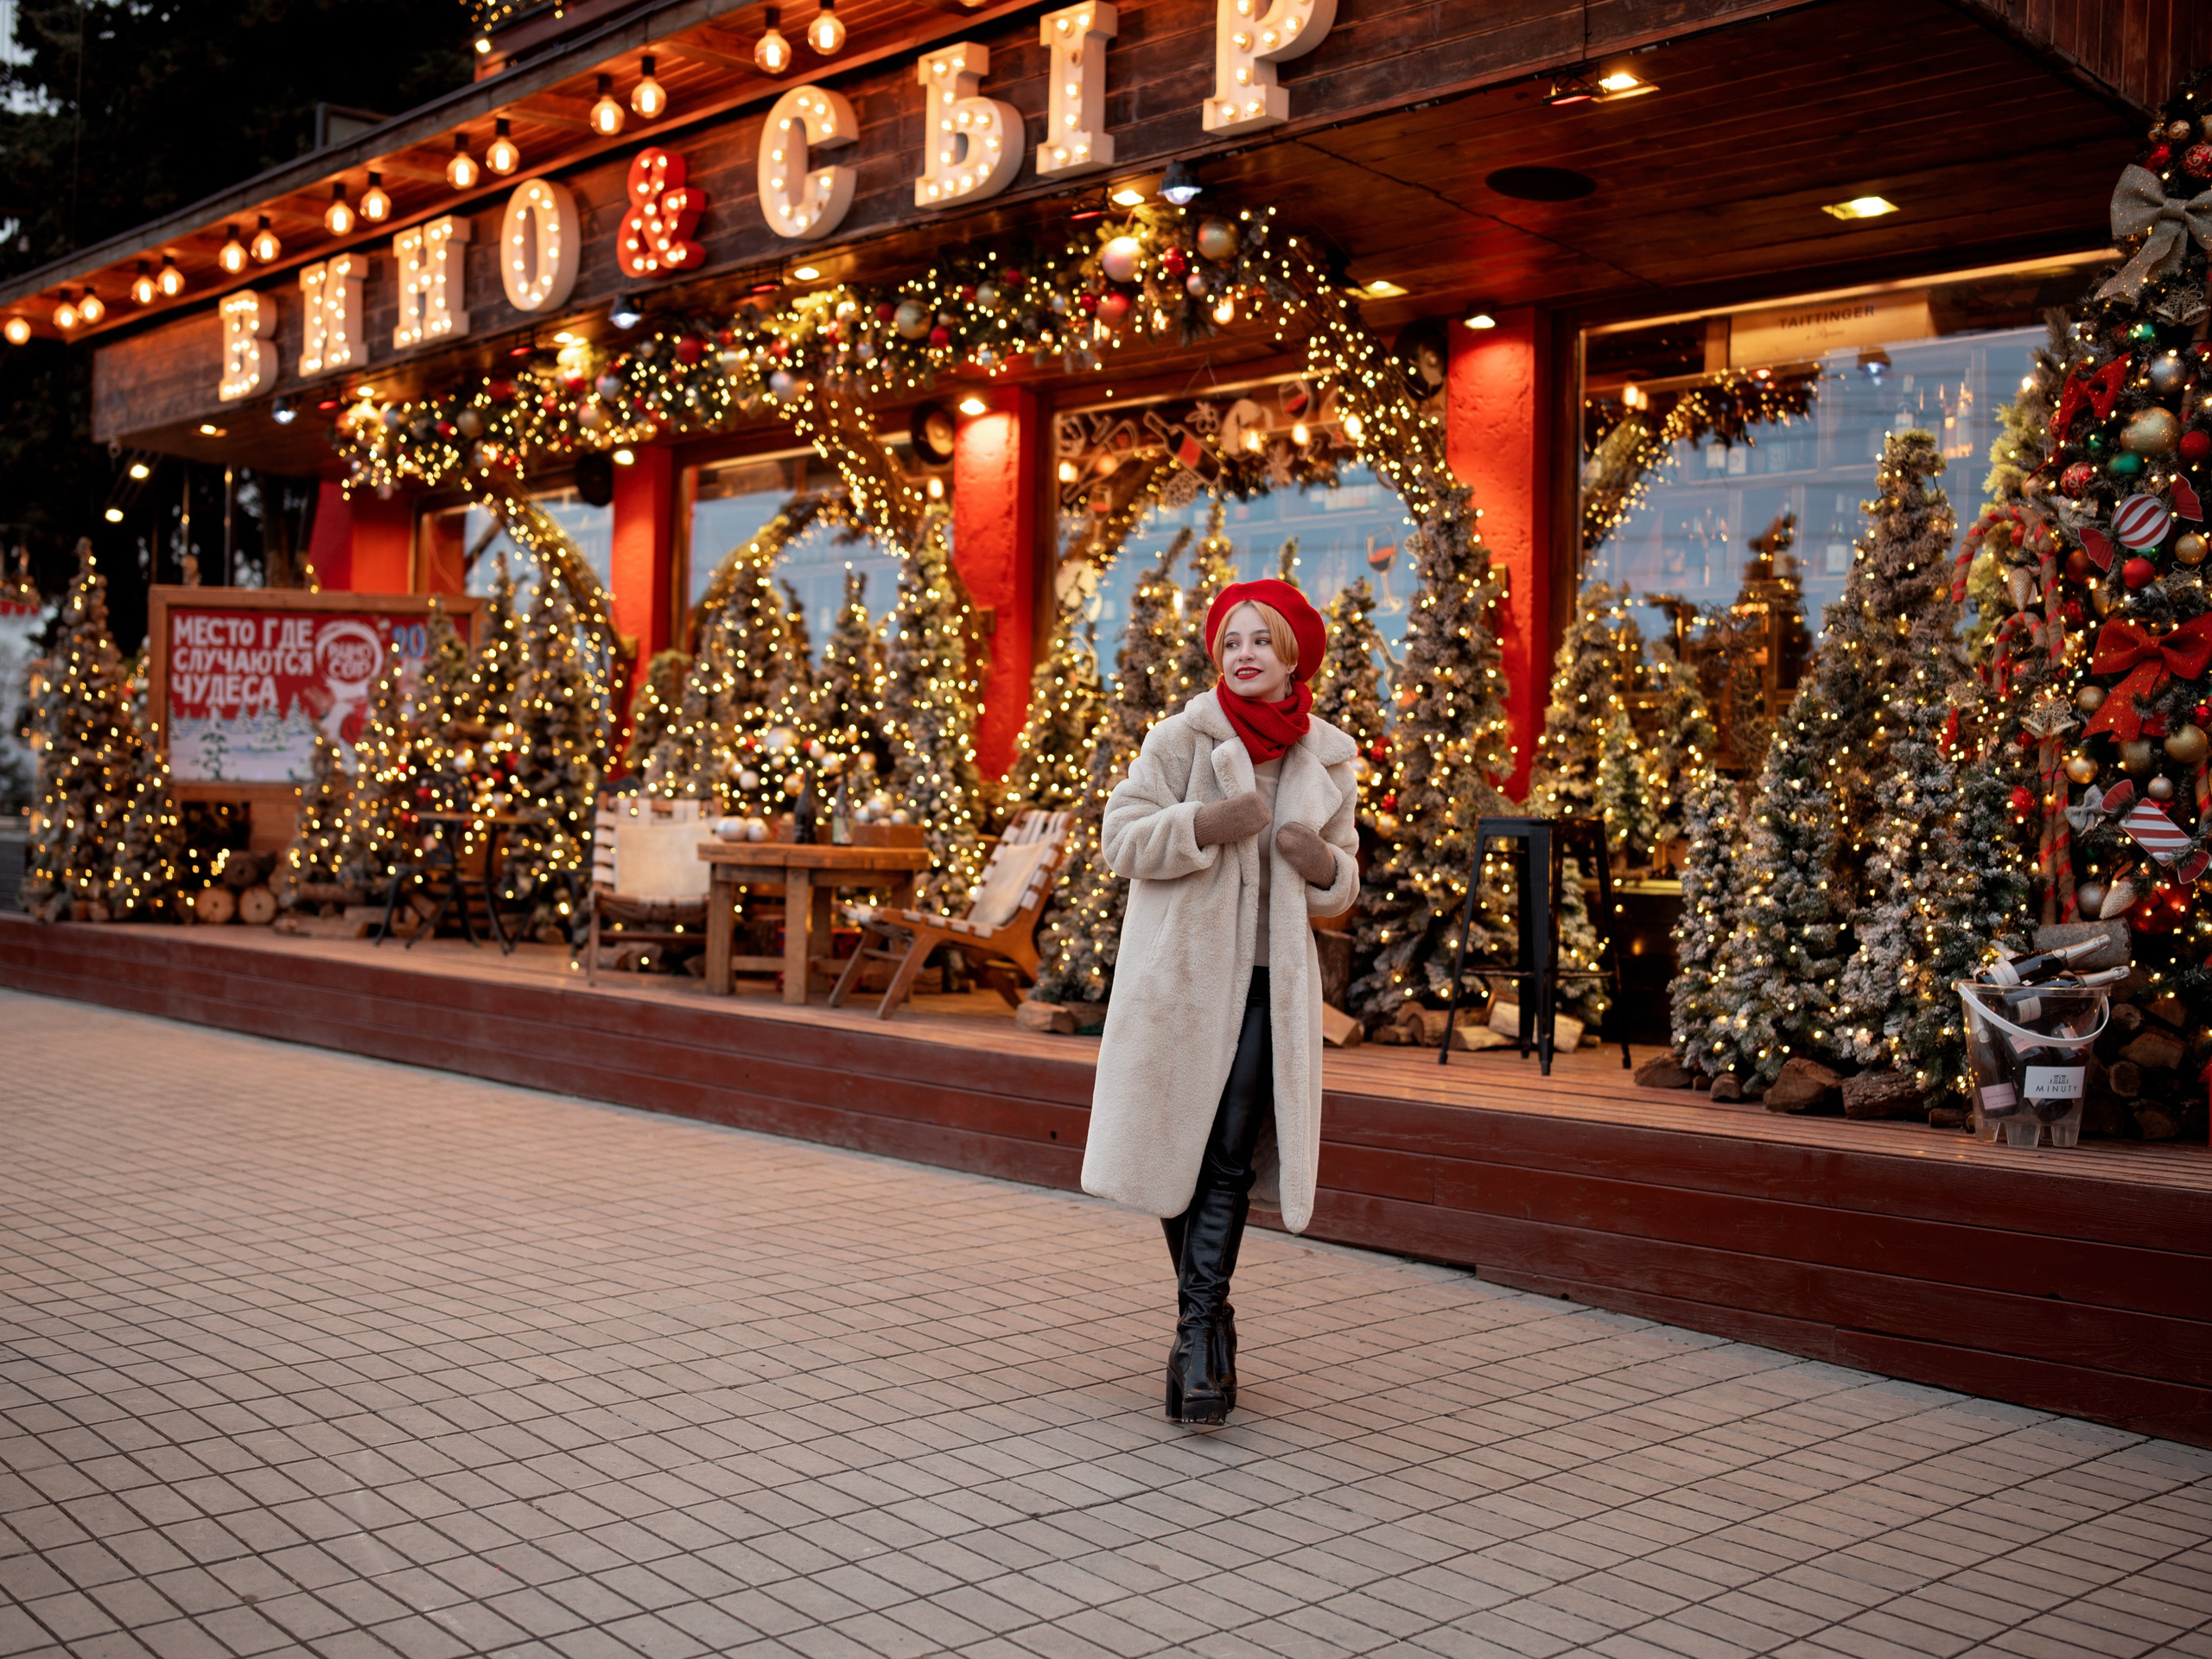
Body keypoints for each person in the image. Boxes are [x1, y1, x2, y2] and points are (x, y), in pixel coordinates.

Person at [1084, 578, 1361, 1424]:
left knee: (1229, 1160)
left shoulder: (1329, 759)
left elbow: (1342, 883)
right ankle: (1208, 1326)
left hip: (1267, 991)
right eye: (1231, 639)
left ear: (1291, 657)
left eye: (1260, 641)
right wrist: (1205, 826)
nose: (1242, 654)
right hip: (1178, 986)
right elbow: (1119, 840)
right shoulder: (1179, 739)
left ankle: (1199, 1331)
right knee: (1186, 1150)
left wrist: (1311, 857)